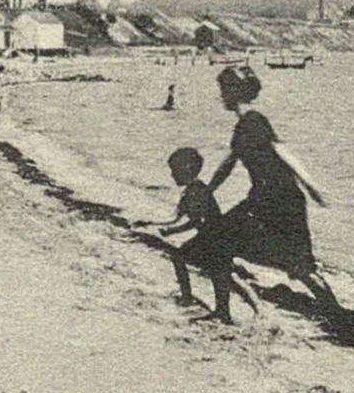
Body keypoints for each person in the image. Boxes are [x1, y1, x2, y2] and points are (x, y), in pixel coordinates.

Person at [206, 65, 338, 308]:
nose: (221, 96)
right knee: (298, 264)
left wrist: (312, 185)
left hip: (275, 199)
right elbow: (228, 163)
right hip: (272, 197)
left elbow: (281, 150)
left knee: (221, 242)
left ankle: (333, 311)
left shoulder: (253, 121)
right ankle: (334, 311)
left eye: (224, 90)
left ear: (236, 91)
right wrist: (208, 189)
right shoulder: (245, 125)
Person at [136, 147, 259, 324]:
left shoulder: (197, 192)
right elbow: (176, 218)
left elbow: (192, 221)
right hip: (210, 236)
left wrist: (171, 231)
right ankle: (213, 308)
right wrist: (151, 223)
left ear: (186, 170)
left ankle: (209, 307)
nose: (172, 176)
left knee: (215, 272)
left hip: (216, 237)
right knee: (216, 273)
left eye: (174, 171)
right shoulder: (191, 191)